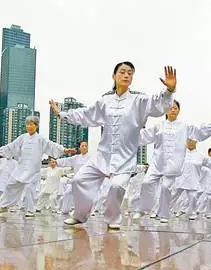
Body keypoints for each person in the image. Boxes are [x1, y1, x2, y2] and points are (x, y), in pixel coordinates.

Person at [49, 63, 177, 230]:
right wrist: (62, 114)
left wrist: (169, 91)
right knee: (78, 180)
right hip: (102, 157)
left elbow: (158, 104)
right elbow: (86, 114)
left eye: (130, 73)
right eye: (122, 72)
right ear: (114, 76)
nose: (126, 75)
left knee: (116, 186)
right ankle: (80, 215)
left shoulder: (139, 101)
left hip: (125, 159)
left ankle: (113, 219)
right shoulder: (105, 101)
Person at [134, 101, 211, 223]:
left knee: (166, 187)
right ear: (165, 110)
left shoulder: (185, 127)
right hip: (157, 163)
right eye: (170, 108)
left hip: (173, 166)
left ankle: (164, 215)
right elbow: (144, 136)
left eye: (175, 108)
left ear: (178, 111)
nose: (173, 110)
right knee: (146, 182)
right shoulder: (158, 126)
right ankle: (143, 208)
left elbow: (199, 131)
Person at [0, 116, 73, 217]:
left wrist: (64, 150)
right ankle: (4, 206)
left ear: (36, 126)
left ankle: (30, 210)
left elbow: (51, 145)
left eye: (31, 124)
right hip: (21, 168)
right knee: (10, 185)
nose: (29, 126)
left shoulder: (40, 139)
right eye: (27, 124)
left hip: (33, 170)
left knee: (30, 189)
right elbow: (11, 146)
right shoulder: (22, 137)